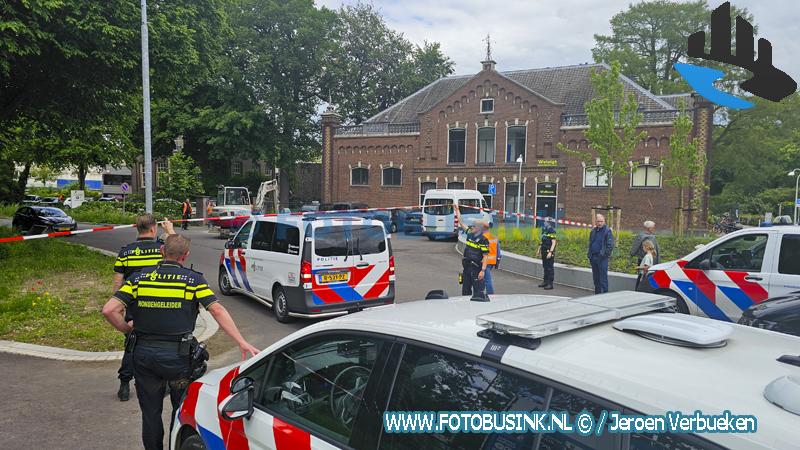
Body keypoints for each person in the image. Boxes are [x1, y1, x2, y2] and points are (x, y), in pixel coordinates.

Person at [102, 234, 259, 450]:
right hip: (179, 359)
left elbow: (109, 310)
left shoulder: (138, 279)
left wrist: (128, 330)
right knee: (180, 410)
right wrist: (241, 341)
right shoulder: (193, 280)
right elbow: (217, 310)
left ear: (162, 251)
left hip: (144, 356)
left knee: (150, 414)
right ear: (185, 256)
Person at [112, 214, 176, 402]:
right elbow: (177, 250)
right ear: (153, 229)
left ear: (137, 228)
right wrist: (170, 230)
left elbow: (118, 282)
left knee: (132, 343)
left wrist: (119, 305)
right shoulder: (161, 249)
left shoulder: (125, 252)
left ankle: (124, 384)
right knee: (162, 342)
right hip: (159, 303)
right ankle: (163, 381)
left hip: (134, 305)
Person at [455, 206, 490, 298]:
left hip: (476, 268)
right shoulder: (470, 234)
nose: (471, 227)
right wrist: (457, 210)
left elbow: (485, 256)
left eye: (474, 226)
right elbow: (461, 222)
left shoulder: (483, 240)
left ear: (479, 229)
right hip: (467, 267)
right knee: (465, 291)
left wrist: (482, 271)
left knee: (478, 292)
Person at [587, 214, 614, 294]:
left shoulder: (607, 231)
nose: (600, 223)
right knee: (596, 278)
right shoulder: (593, 231)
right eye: (598, 221)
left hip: (602, 258)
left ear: (604, 221)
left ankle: (604, 294)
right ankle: (597, 293)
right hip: (593, 257)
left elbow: (610, 246)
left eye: (601, 221)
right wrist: (590, 255)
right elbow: (591, 243)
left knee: (603, 278)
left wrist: (603, 255)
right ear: (596, 221)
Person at [536, 217, 557, 290]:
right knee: (545, 267)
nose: (544, 222)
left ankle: (550, 284)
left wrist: (551, 252)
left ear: (549, 222)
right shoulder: (544, 229)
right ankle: (545, 281)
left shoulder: (552, 230)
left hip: (549, 251)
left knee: (549, 268)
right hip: (543, 250)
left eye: (545, 221)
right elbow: (542, 241)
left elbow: (554, 242)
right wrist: (538, 250)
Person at [483, 223, 501, 295]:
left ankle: (490, 295)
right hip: (492, 261)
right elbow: (498, 251)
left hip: (485, 261)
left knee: (487, 279)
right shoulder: (494, 237)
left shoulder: (483, 237)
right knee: (485, 278)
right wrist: (497, 261)